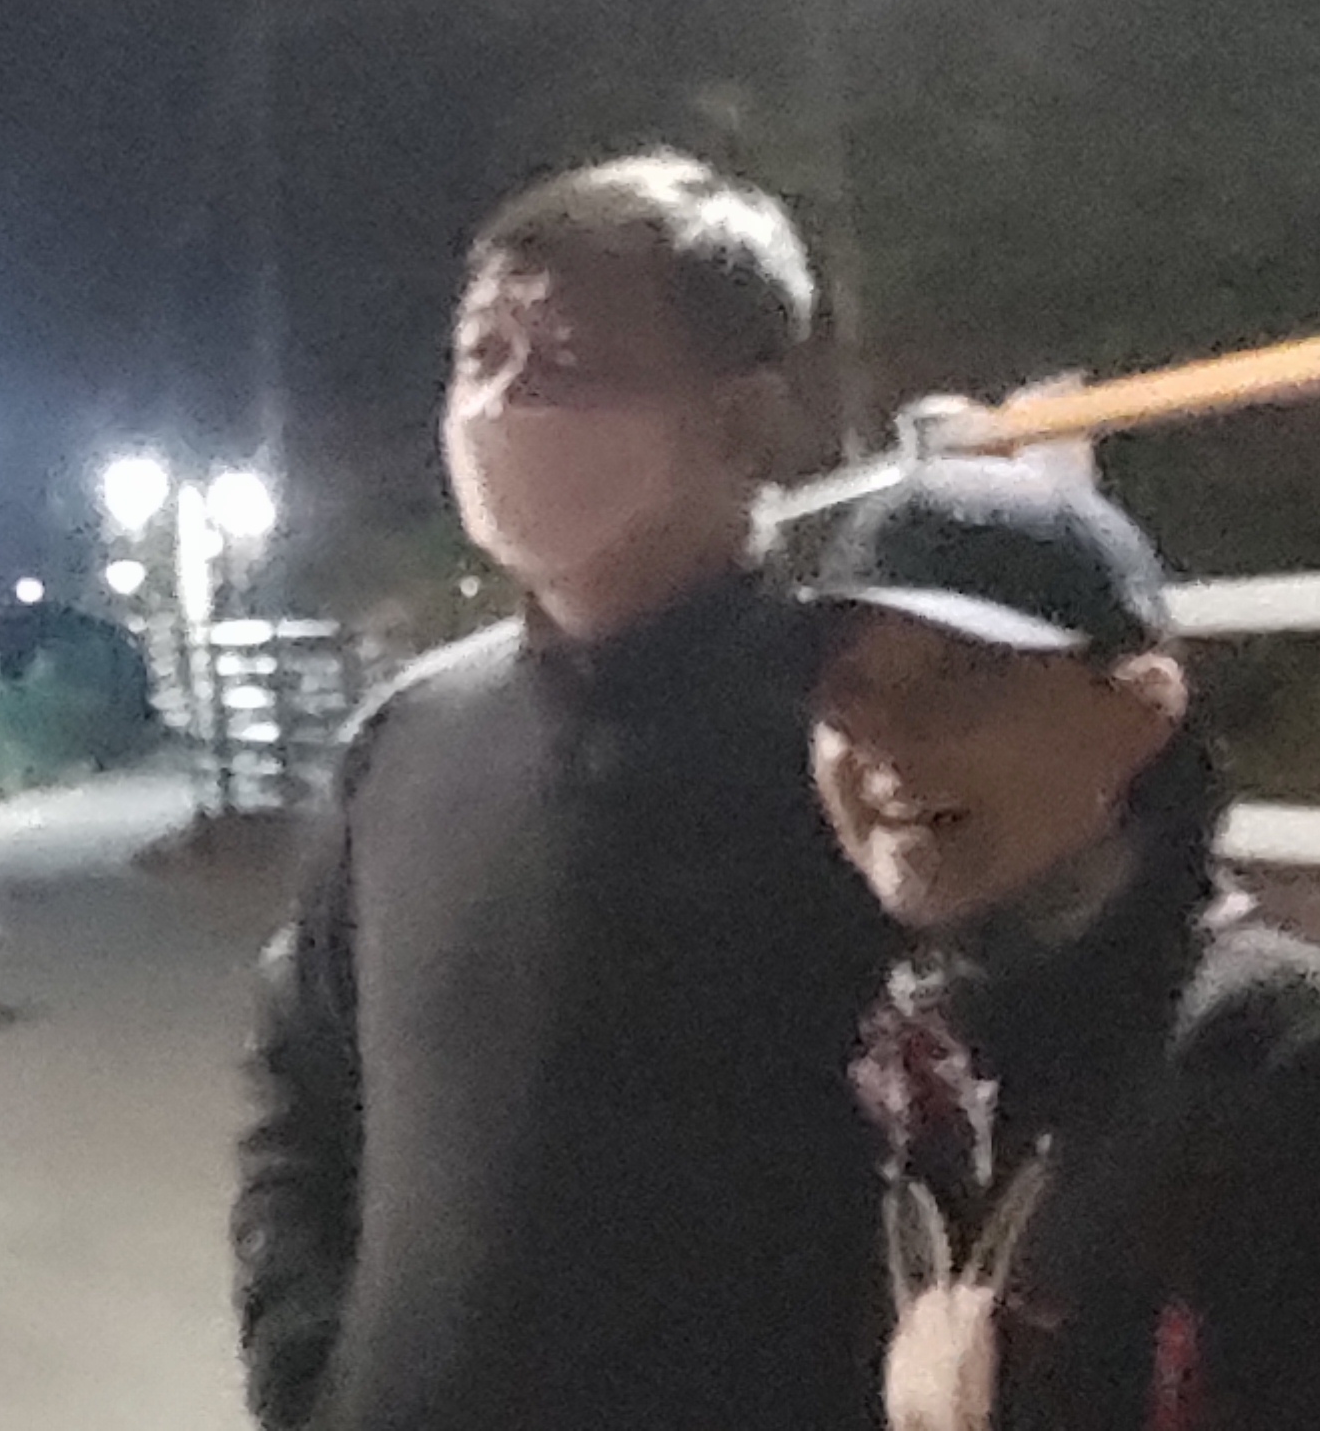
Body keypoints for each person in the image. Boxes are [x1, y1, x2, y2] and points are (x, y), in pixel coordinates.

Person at [232, 151, 899, 1431]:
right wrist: (308, 1374)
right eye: (481, 355)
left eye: (571, 364)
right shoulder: (407, 741)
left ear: (744, 419)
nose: (504, 402)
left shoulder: (864, 740)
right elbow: (302, 1100)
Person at [802, 458, 1320, 1431]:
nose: (885, 741)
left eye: (964, 681)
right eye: (846, 690)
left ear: (1142, 710)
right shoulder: (926, 1062)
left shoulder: (1300, 1079)